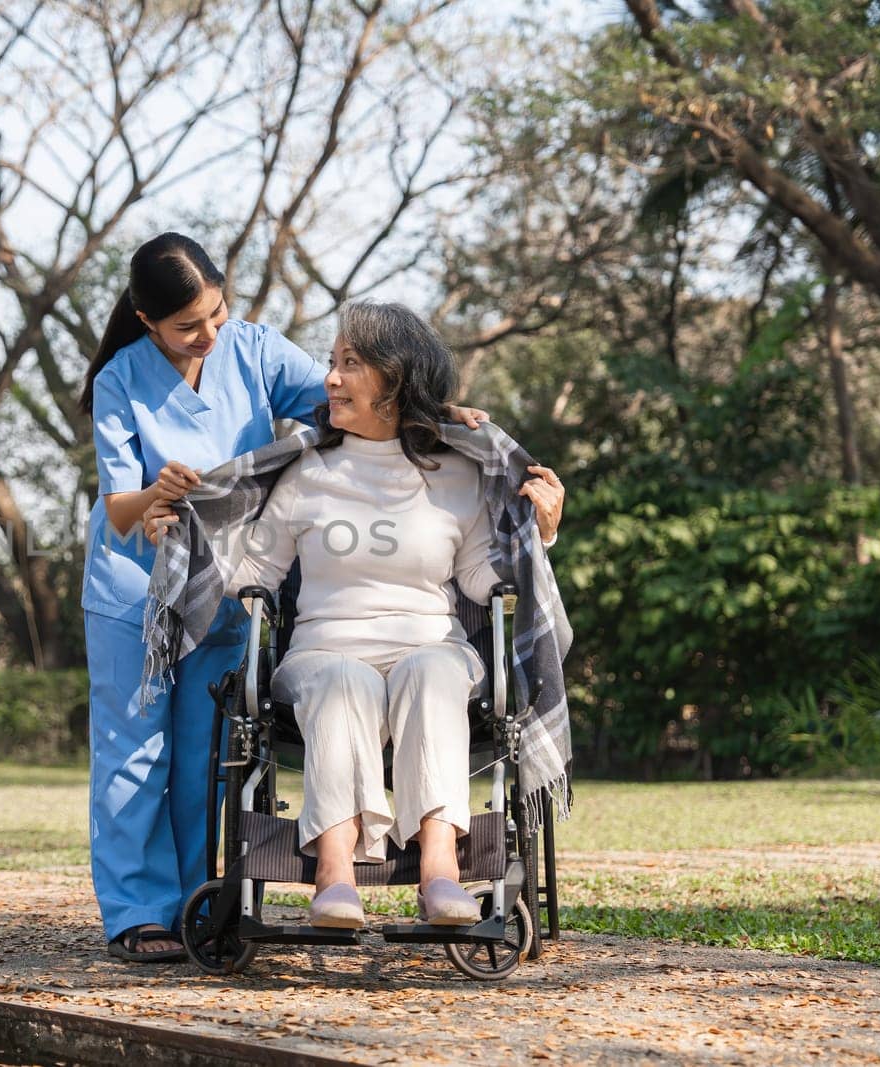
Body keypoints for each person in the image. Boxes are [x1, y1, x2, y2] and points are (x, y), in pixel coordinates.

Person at [81, 236, 492, 961]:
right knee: (135, 753)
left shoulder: (254, 349)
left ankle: (190, 909)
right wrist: (159, 493)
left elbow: (360, 405)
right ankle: (136, 912)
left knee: (201, 760)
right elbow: (120, 510)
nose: (209, 333)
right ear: (147, 319)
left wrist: (440, 412)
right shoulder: (120, 379)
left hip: (227, 581)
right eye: (187, 326)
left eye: (216, 310)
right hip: (134, 592)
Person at [143, 298, 564, 929]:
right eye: (333, 363)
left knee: (437, 673)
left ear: (394, 382)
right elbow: (258, 574)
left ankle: (440, 873)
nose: (331, 379)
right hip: (320, 655)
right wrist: (181, 540)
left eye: (350, 365)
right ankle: (335, 876)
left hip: (431, 646)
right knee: (345, 680)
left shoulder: (456, 474)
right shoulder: (308, 471)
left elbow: (482, 578)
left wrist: (542, 533)